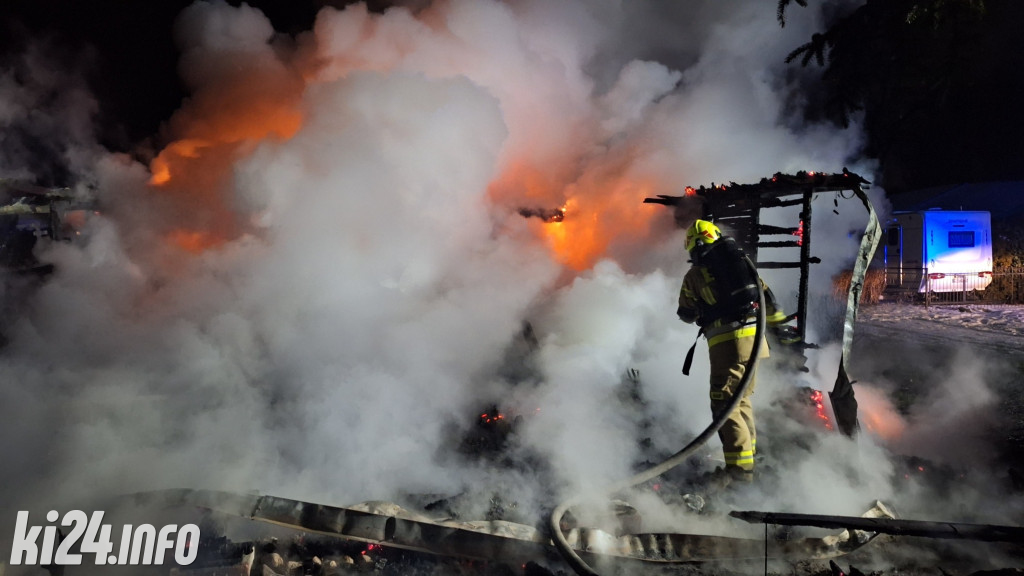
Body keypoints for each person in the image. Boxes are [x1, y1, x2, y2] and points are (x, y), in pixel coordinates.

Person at [676, 220, 789, 485]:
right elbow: (768, 299)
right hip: (756, 342)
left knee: (725, 403)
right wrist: (783, 332)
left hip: (729, 345)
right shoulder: (742, 263)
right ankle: (750, 460)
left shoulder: (695, 274)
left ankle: (739, 474)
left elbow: (686, 314)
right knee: (742, 400)